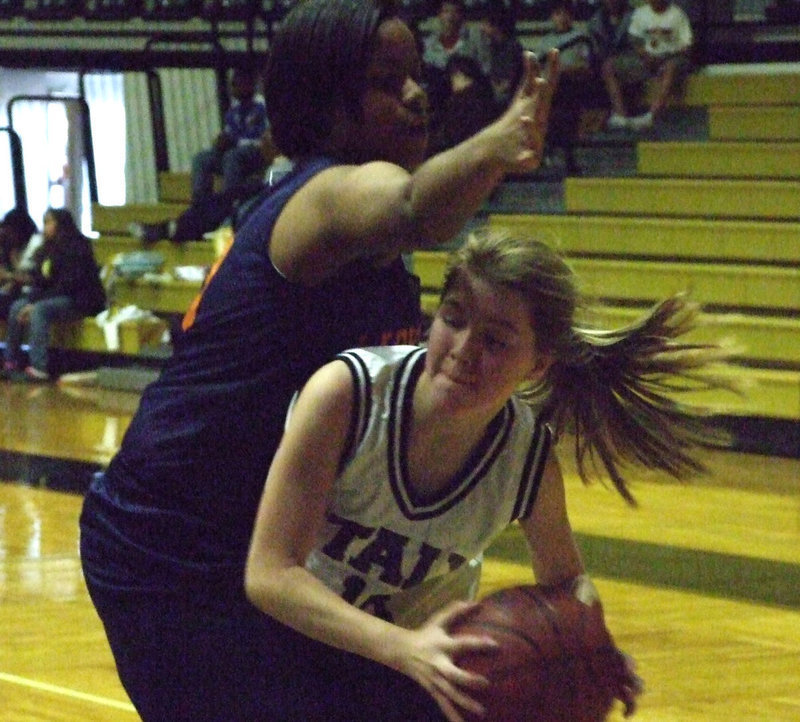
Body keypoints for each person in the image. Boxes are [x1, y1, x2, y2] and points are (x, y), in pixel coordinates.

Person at [79, 0, 560, 719]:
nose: (415, 94)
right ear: (323, 101)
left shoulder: (374, 262)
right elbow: (414, 209)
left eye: (416, 74)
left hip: (275, 549)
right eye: (384, 80)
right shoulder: (327, 194)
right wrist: (497, 143)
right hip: (168, 549)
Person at [245, 227, 736, 720]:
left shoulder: (525, 460)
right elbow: (269, 573)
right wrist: (403, 646)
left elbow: (567, 586)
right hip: (293, 642)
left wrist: (594, 652)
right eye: (453, 319)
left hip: (418, 676)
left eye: (496, 341)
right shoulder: (347, 396)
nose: (463, 348)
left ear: (538, 364)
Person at [2, 207, 106, 382]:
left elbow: (69, 284)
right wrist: (30, 301)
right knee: (17, 307)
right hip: (55, 297)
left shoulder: (77, 246)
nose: (45, 226)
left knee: (39, 310)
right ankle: (11, 361)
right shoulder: (47, 249)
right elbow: (39, 281)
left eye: (49, 222)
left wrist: (34, 304)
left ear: (61, 224)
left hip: (80, 300)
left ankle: (39, 367)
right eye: (44, 222)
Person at [127, 133, 284, 245]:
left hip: (269, 204)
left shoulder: (282, 168)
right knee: (222, 199)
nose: (263, 143)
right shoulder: (270, 168)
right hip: (259, 194)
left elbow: (274, 188)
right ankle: (173, 227)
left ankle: (171, 228)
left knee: (228, 201)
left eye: (268, 140)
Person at [602, 0, 693, 131]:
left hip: (670, 59)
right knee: (609, 66)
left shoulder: (678, 14)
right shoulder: (640, 14)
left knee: (671, 67)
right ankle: (620, 115)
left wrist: (665, 56)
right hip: (645, 59)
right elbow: (634, 40)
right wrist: (644, 55)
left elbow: (687, 45)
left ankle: (651, 115)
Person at [190, 64, 269, 202]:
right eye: (233, 85)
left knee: (231, 157)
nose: (234, 89)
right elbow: (229, 133)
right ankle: (201, 204)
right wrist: (220, 141)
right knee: (201, 158)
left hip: (256, 153)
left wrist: (236, 142)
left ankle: (229, 203)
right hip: (234, 153)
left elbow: (266, 137)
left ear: (249, 84)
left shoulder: (261, 105)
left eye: (237, 84)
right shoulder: (234, 109)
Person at [534, 0, 595, 174]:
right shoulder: (546, 42)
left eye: (565, 13)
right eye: (558, 14)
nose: (562, 18)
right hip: (551, 87)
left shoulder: (580, 38)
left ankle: (559, 150)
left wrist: (562, 71)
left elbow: (586, 67)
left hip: (575, 85)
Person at [0, 207, 39, 318]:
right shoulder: (14, 248)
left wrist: (8, 276)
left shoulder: (36, 244)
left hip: (31, 294)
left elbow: (30, 277)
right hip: (17, 292)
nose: (7, 235)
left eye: (9, 231)